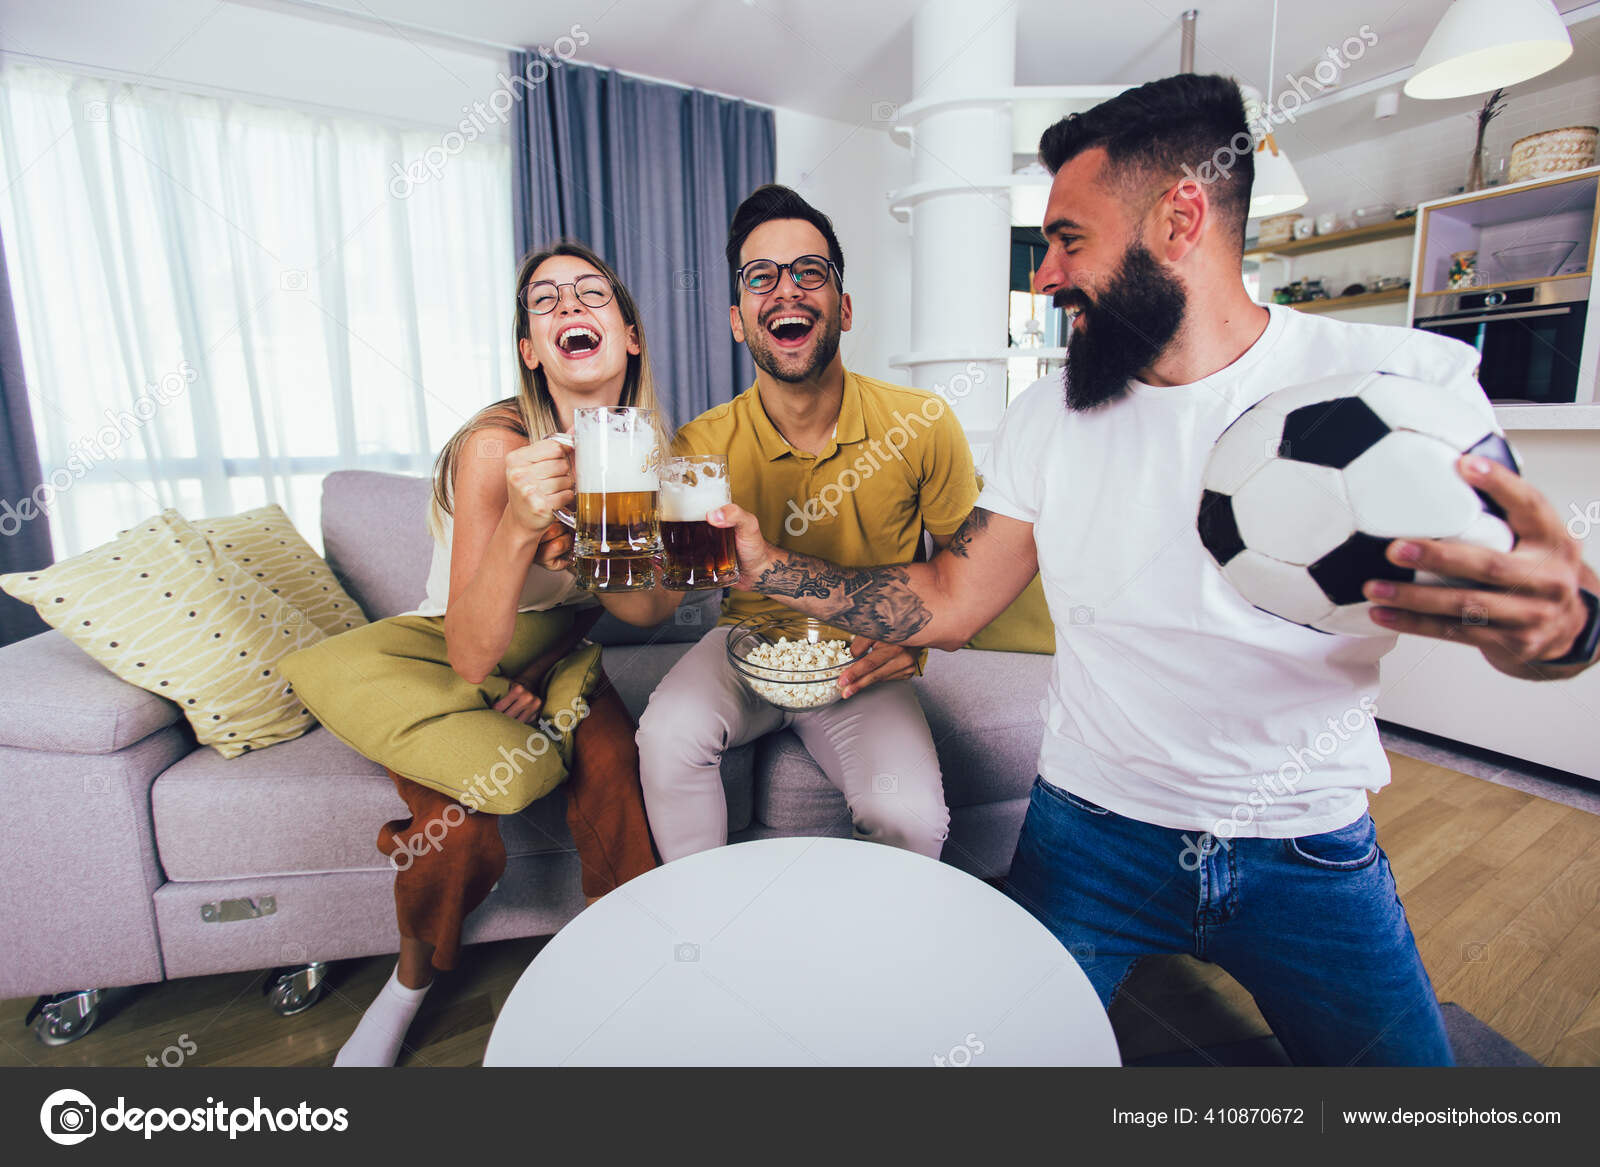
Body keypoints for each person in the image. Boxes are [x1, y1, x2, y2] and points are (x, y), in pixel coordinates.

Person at [701, 76, 1600, 1066]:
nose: (1043, 276)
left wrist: (1565, 633)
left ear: (1180, 218)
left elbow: (1533, 627)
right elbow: (952, 601)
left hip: (1308, 851)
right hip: (1089, 837)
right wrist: (766, 563)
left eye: (1067, 240)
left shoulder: (1406, 389)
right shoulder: (1052, 415)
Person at [282, 241, 670, 1067]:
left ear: (629, 333)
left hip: (552, 655)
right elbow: (466, 650)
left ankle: (620, 957)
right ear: (532, 350)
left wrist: (595, 578)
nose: (569, 306)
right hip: (449, 648)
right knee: (453, 823)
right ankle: (408, 985)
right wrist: (526, 528)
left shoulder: (645, 457)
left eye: (590, 293)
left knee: (614, 768)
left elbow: (643, 609)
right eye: (545, 300)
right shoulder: (496, 448)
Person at [635, 184, 980, 861]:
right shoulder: (699, 445)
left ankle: (871, 962)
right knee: (666, 734)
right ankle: (704, 934)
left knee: (908, 816)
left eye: (809, 272)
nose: (786, 290)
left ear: (843, 308)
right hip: (745, 644)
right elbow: (661, 595)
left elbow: (974, 581)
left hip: (860, 658)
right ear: (739, 319)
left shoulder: (923, 424)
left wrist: (920, 641)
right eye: (761, 277)